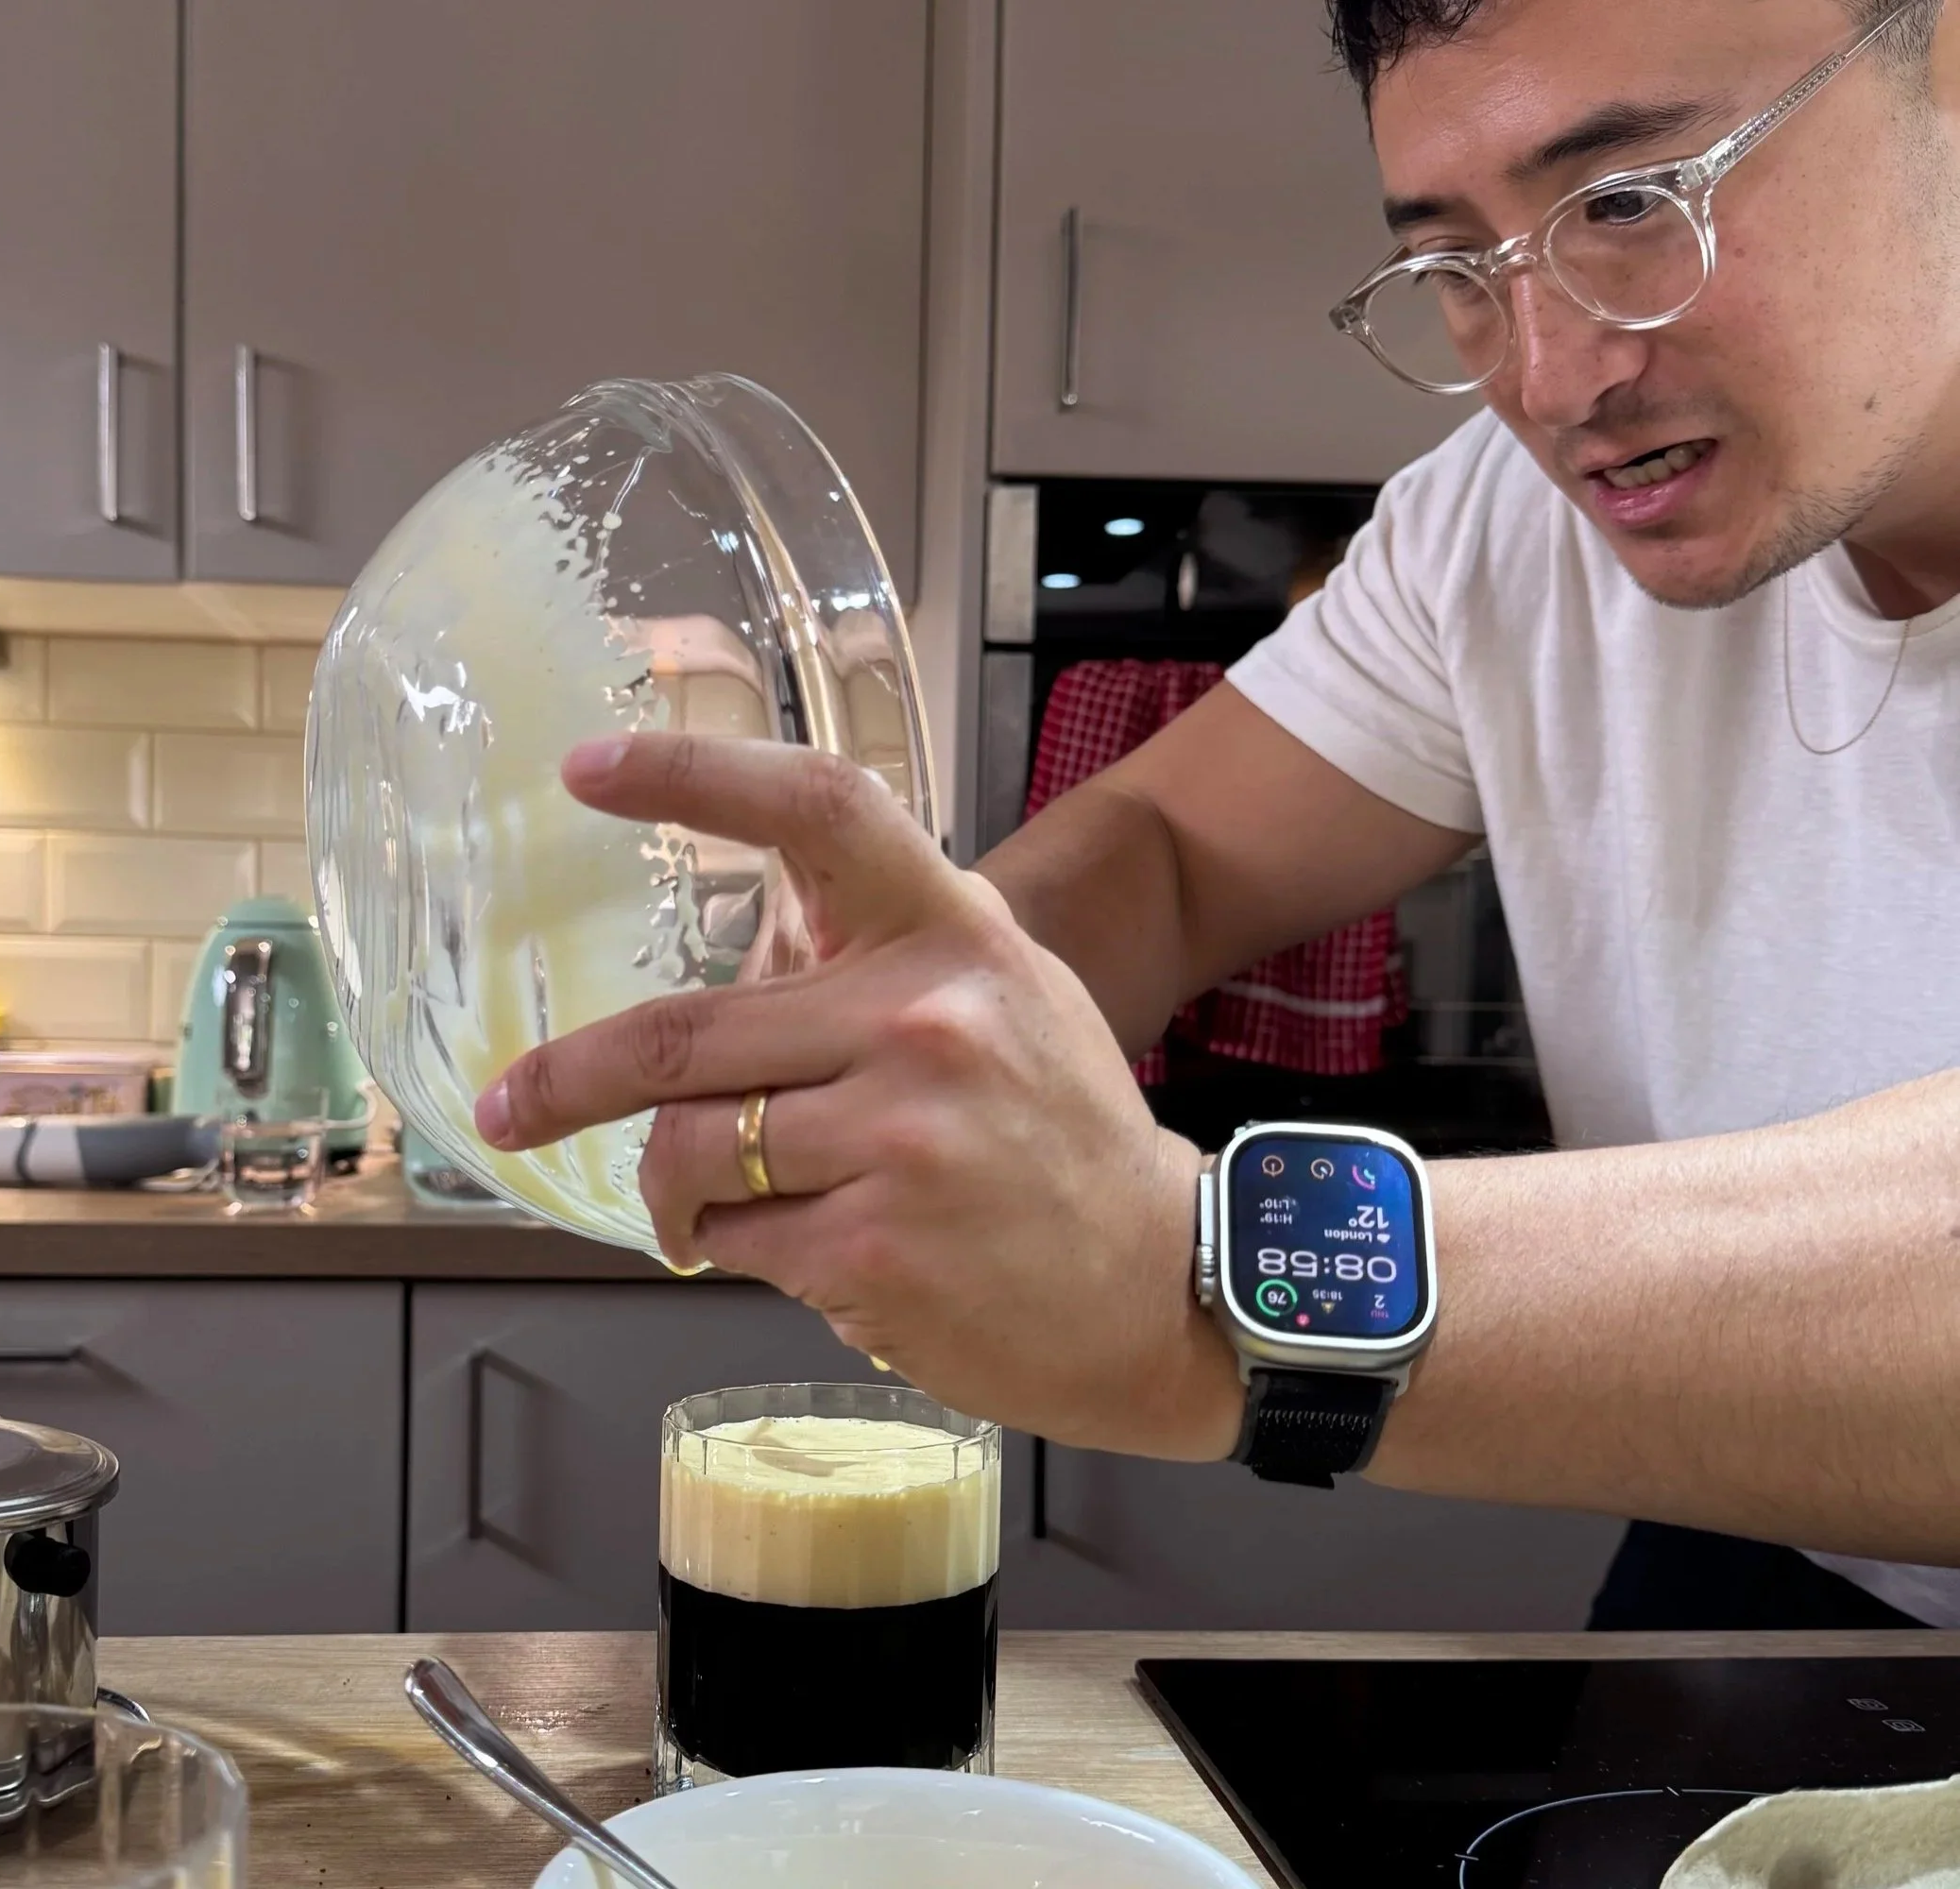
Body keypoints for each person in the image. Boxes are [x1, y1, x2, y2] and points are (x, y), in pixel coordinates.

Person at [473, 0, 1960, 1630]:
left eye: (1627, 204)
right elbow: (1168, 854)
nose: (1548, 380)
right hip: (1759, 1532)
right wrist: (928, 996)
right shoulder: (1498, 529)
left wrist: (1191, 1279)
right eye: (1457, 267)